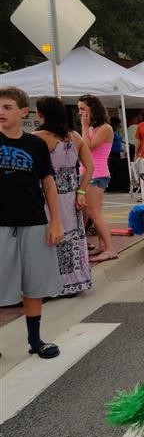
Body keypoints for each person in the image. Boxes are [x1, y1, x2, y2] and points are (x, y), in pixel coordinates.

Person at [0, 87, 64, 359]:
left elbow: (48, 184)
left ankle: (35, 340)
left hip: (34, 221)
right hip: (1, 224)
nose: (1, 112)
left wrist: (56, 222)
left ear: (24, 111)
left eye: (7, 107)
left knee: (34, 284)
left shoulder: (36, 144)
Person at [33, 96, 94, 297]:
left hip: (49, 194)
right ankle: (75, 281)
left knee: (50, 236)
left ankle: (55, 283)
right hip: (72, 195)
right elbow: (90, 167)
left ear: (40, 114)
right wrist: (81, 191)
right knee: (72, 236)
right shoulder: (74, 136)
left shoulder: (38, 137)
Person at [78, 94, 118, 262]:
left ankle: (110, 249)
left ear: (92, 109)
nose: (80, 113)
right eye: (79, 109)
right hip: (87, 174)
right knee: (94, 212)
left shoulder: (105, 128)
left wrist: (84, 126)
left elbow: (88, 146)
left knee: (94, 213)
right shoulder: (93, 128)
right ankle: (103, 246)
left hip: (97, 174)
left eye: (83, 109)